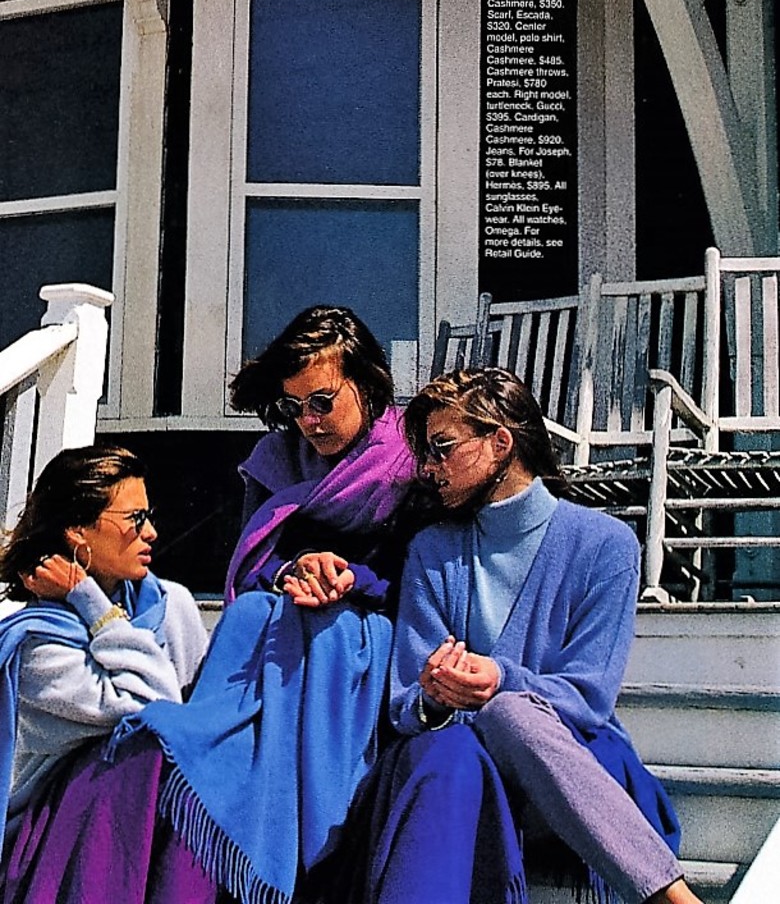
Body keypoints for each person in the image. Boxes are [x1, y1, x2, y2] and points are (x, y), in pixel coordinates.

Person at [322, 368, 703, 904]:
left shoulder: (607, 545)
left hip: (564, 769)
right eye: (426, 453)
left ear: (500, 443)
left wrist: (500, 680)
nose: (429, 468)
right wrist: (436, 695)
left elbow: (589, 699)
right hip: (457, 768)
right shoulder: (433, 550)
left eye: (442, 448)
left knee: (508, 712)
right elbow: (407, 702)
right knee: (451, 749)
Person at [107, 306, 419, 904]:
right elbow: (253, 564)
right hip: (287, 609)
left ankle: (315, 844)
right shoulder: (278, 457)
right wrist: (293, 570)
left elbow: (422, 569)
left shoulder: (409, 457)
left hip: (374, 620)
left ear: (366, 382)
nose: (309, 422)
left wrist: (349, 576)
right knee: (250, 615)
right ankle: (213, 757)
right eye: (294, 406)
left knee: (327, 633)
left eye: (322, 401)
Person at [0, 445, 213, 904]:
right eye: (134, 519)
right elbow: (156, 708)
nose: (151, 532)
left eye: (148, 516)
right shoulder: (37, 645)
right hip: (54, 845)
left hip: (159, 830)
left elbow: (196, 727)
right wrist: (91, 602)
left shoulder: (171, 605)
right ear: (78, 531)